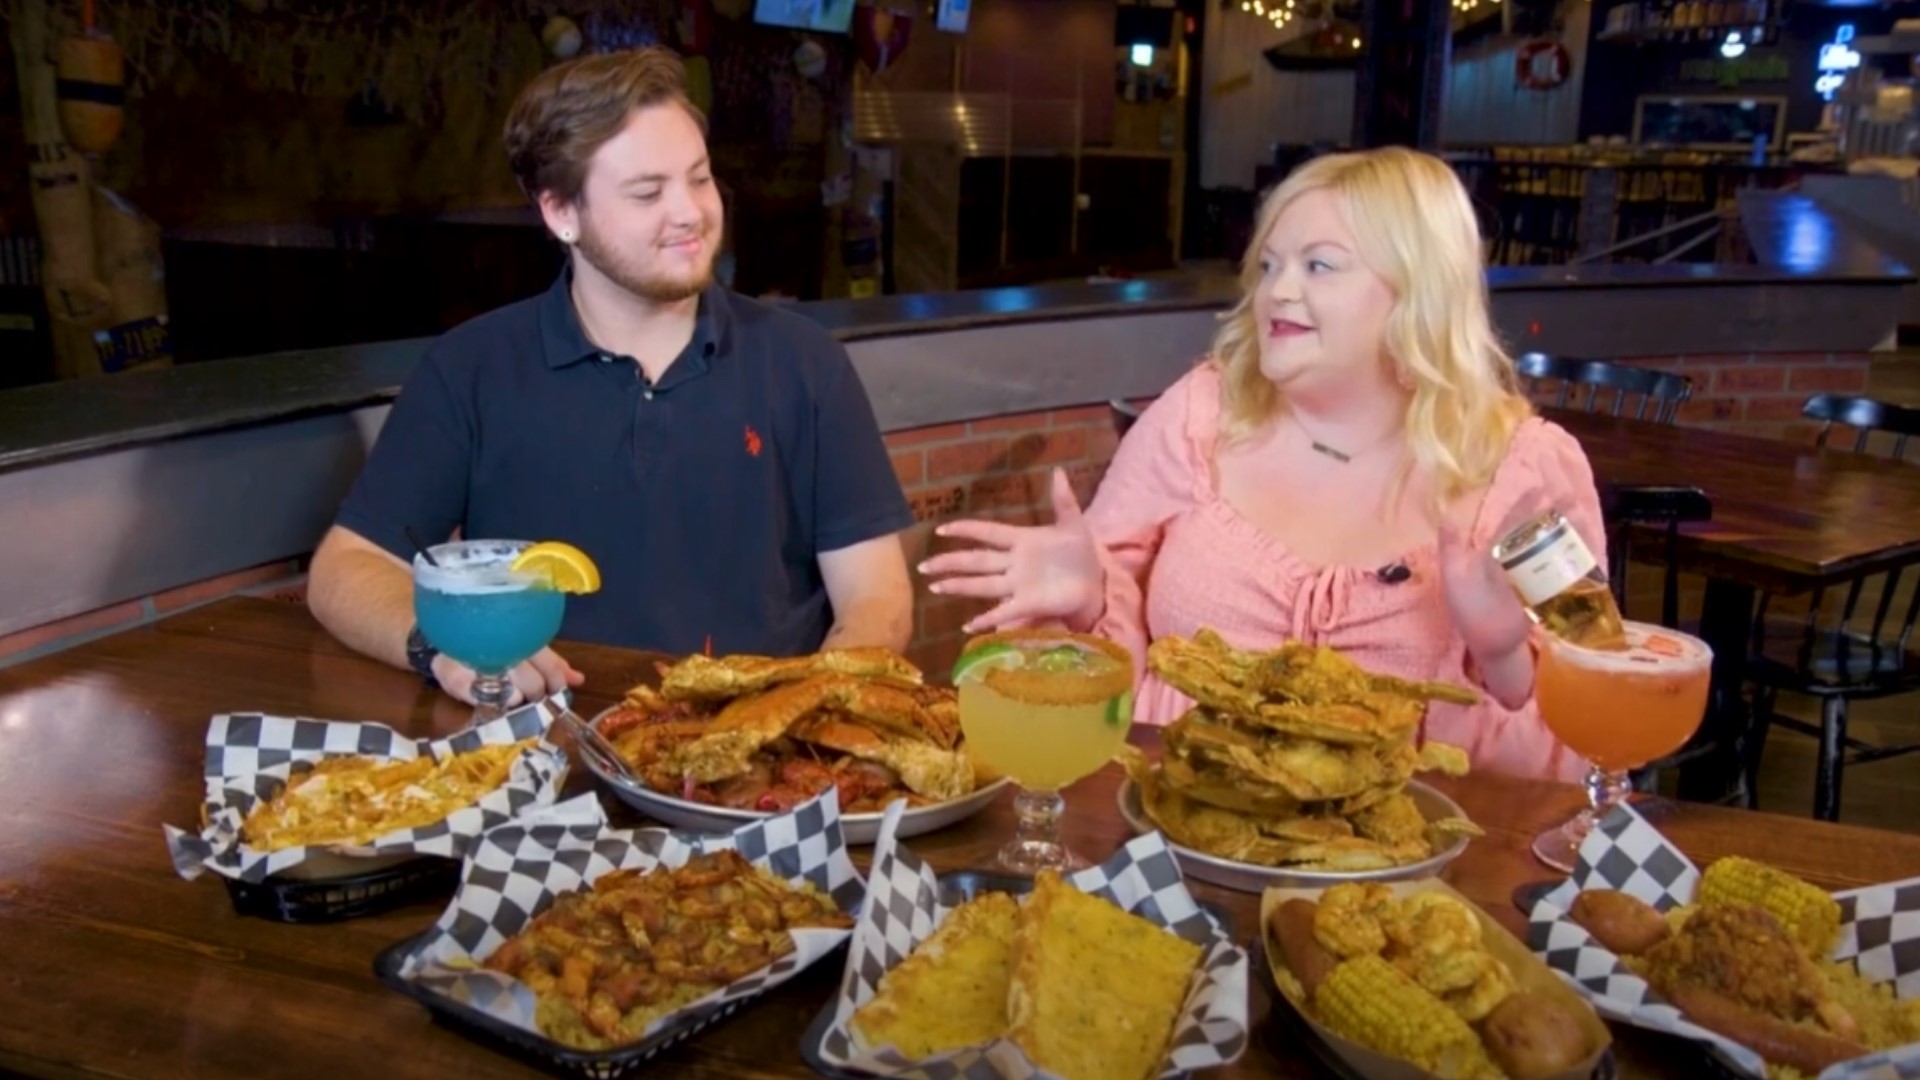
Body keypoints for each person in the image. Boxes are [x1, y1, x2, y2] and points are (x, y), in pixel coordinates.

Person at [920, 147, 1602, 782]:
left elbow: (1590, 746)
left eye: (1320, 265)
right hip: (1173, 832)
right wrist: (1091, 601)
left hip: (1416, 875)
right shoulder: (1201, 414)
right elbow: (1093, 704)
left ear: (1417, 290)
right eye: (1270, 265)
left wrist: (1502, 653)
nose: (1277, 291)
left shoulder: (1527, 474)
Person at [308, 47, 914, 707]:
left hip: (753, 766)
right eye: (648, 193)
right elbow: (345, 569)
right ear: (560, 212)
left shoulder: (804, 362)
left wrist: (800, 711)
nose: (689, 213)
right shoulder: (472, 369)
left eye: (700, 179)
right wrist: (442, 649)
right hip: (542, 753)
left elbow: (876, 596)